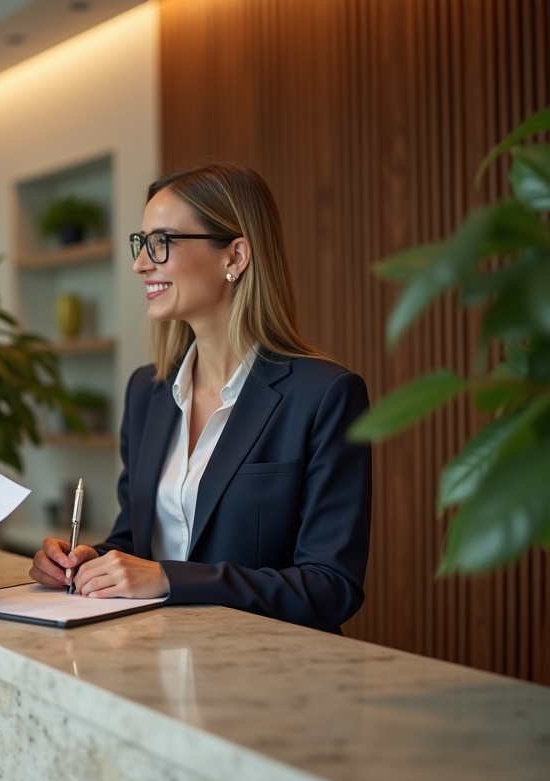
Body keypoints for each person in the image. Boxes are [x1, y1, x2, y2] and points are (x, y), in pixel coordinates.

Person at [29, 163, 371, 634]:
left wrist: (171, 579)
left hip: (262, 679)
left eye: (162, 242)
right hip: (152, 665)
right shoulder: (147, 392)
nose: (140, 263)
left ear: (235, 257)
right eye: (141, 242)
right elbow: (136, 539)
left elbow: (331, 587)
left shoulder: (325, 396)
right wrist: (91, 561)